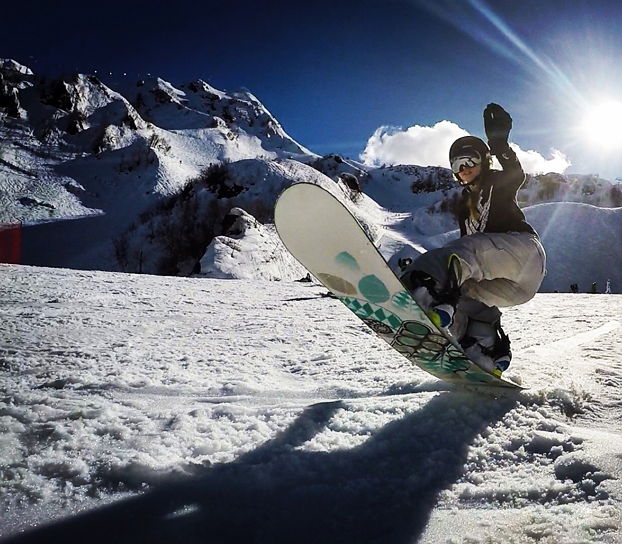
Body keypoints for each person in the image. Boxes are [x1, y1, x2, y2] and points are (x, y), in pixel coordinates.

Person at [400, 103, 546, 376]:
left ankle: (422, 290)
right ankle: (484, 349)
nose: (464, 169)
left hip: (523, 252)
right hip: (514, 286)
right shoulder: (465, 207)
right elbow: (467, 261)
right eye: (457, 165)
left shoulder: (497, 181)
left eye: (470, 161)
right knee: (465, 290)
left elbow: (516, 174)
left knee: (463, 251)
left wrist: (499, 145)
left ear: (484, 161)